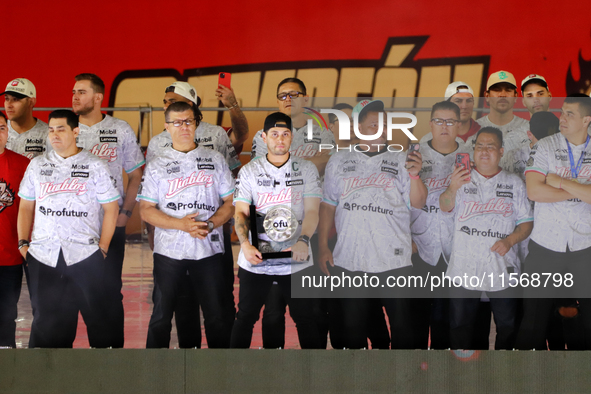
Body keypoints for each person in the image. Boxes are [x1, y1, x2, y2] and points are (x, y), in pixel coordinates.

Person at [318, 99, 428, 349]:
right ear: (356, 129)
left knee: (402, 326)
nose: (380, 129)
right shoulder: (338, 161)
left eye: (383, 124)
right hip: (350, 257)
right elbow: (327, 205)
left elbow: (419, 202)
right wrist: (323, 245)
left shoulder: (403, 159)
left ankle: (403, 382)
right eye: (372, 125)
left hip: (394, 260)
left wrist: (414, 175)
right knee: (354, 327)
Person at [145, 81, 243, 348]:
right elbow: (148, 205)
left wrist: (212, 224)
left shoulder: (215, 152)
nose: (183, 126)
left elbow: (232, 198)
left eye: (187, 121)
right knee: (167, 312)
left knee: (218, 310)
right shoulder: (156, 154)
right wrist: (174, 226)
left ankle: (221, 371)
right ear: (167, 125)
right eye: (176, 122)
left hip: (211, 245)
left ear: (195, 116)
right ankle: (161, 373)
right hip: (170, 250)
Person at [17, 110, 120, 348]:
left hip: (85, 255)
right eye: (51, 130)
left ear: (76, 131)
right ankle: (45, 380)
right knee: (45, 322)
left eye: (61, 129)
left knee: (99, 321)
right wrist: (24, 244)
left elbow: (111, 209)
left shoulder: (96, 166)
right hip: (44, 256)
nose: (54, 135)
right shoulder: (37, 165)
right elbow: (25, 207)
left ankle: (103, 380)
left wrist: (102, 248)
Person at [231, 112, 323, 349]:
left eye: (285, 134)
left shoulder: (306, 170)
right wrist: (245, 245)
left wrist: (304, 240)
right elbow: (241, 212)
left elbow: (312, 211)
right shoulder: (249, 171)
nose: (280, 139)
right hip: (257, 258)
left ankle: (316, 380)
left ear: (292, 137)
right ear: (264, 137)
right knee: (246, 317)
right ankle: (229, 377)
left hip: (297, 257)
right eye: (274, 134)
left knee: (306, 318)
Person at [439, 127, 533, 349]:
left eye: (490, 147)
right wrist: (453, 186)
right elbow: (444, 208)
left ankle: (503, 374)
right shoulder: (460, 179)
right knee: (459, 326)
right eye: (479, 146)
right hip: (464, 266)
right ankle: (461, 375)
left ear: (501, 151)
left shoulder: (514, 182)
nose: (484, 151)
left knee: (508, 326)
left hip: (503, 267)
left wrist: (509, 241)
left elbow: (526, 223)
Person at [72, 73, 145, 347]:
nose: (75, 96)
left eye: (81, 91)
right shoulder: (66, 128)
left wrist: (125, 214)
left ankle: (114, 355)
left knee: (111, 291)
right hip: (75, 226)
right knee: (75, 292)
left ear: (98, 97)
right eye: (73, 91)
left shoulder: (120, 129)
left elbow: (136, 174)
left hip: (110, 223)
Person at [516, 95, 591, 350]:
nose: (563, 118)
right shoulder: (545, 146)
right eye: (562, 112)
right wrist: (582, 191)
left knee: (585, 322)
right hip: (545, 247)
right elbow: (534, 192)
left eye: (570, 114)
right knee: (533, 322)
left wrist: (560, 182)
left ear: (586, 120)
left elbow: (547, 186)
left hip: (586, 248)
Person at [411, 101, 471, 349]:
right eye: (438, 121)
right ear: (430, 123)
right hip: (419, 246)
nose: (444, 127)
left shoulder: (470, 155)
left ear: (459, 125)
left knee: (447, 321)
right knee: (415, 319)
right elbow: (401, 202)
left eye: (450, 122)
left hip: (456, 249)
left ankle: (444, 376)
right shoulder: (415, 154)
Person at [251, 77, 336, 174]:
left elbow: (329, 164)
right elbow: (259, 170)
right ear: (278, 102)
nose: (287, 99)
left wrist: (279, 162)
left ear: (305, 99)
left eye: (293, 95)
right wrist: (314, 160)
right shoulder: (262, 135)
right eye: (282, 96)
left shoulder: (323, 133)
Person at [0, 111, 30, 348]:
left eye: (1, 128)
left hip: (9, 256)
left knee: (6, 315)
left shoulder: (22, 164)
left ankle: (6, 364)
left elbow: (29, 211)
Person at [466, 71, 530, 153]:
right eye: (497, 90)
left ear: (515, 96)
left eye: (508, 90)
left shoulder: (529, 129)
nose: (503, 94)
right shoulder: (472, 130)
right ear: (487, 96)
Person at [1, 78, 48, 159]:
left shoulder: (48, 133)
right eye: (6, 99)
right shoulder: (1, 130)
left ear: (31, 102)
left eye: (15, 99)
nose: (9, 105)